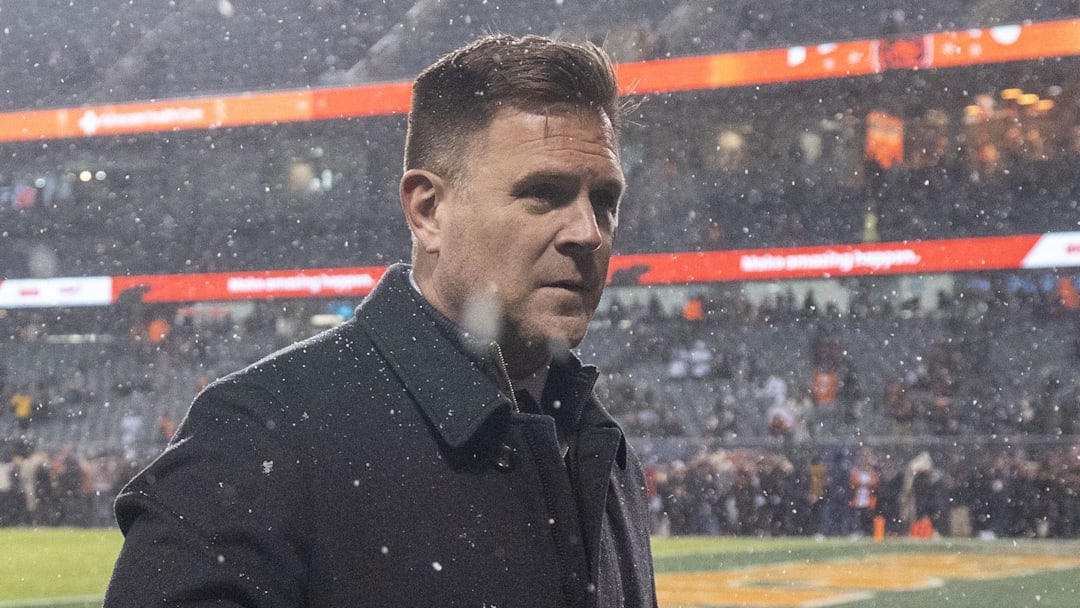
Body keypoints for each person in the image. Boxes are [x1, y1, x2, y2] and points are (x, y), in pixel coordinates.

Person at [104, 34, 657, 607]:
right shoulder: (257, 437)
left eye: (605, 201)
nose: (588, 232)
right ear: (428, 211)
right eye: (543, 193)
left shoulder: (603, 449)